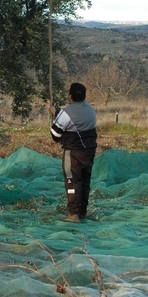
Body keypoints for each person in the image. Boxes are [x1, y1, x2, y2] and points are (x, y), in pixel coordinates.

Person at [50, 83, 98, 223]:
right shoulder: (90, 109)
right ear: (84, 96)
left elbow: (55, 135)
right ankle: (82, 212)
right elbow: (76, 120)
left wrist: (55, 118)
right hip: (89, 152)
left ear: (70, 96)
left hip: (73, 153)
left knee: (72, 182)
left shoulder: (66, 113)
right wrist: (57, 113)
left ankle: (72, 214)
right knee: (84, 182)